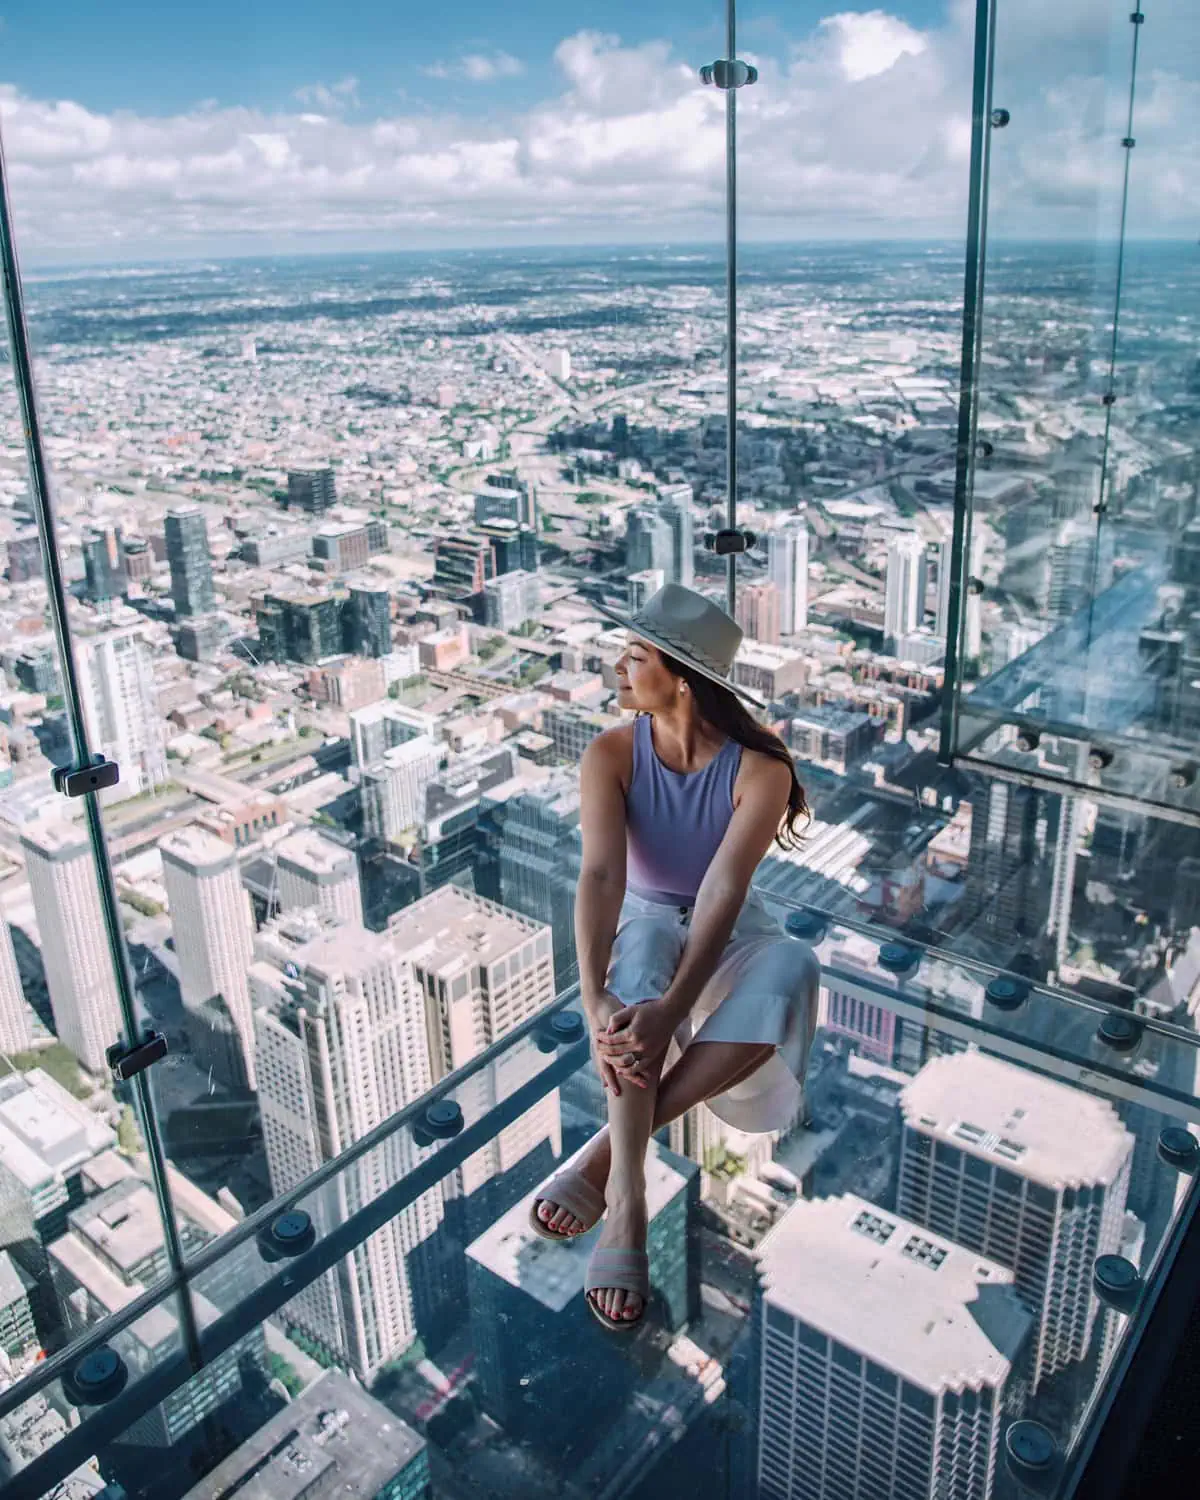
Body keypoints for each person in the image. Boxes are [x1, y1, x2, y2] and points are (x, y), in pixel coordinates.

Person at [529, 583, 819, 1332]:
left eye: (633, 657)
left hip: (733, 933)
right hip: (650, 923)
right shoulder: (611, 754)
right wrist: (594, 996)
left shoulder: (762, 771)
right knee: (646, 947)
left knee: (794, 967)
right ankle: (628, 1198)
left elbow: (723, 894)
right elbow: (600, 876)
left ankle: (601, 1154)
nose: (616, 671)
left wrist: (672, 1009)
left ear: (682, 678)